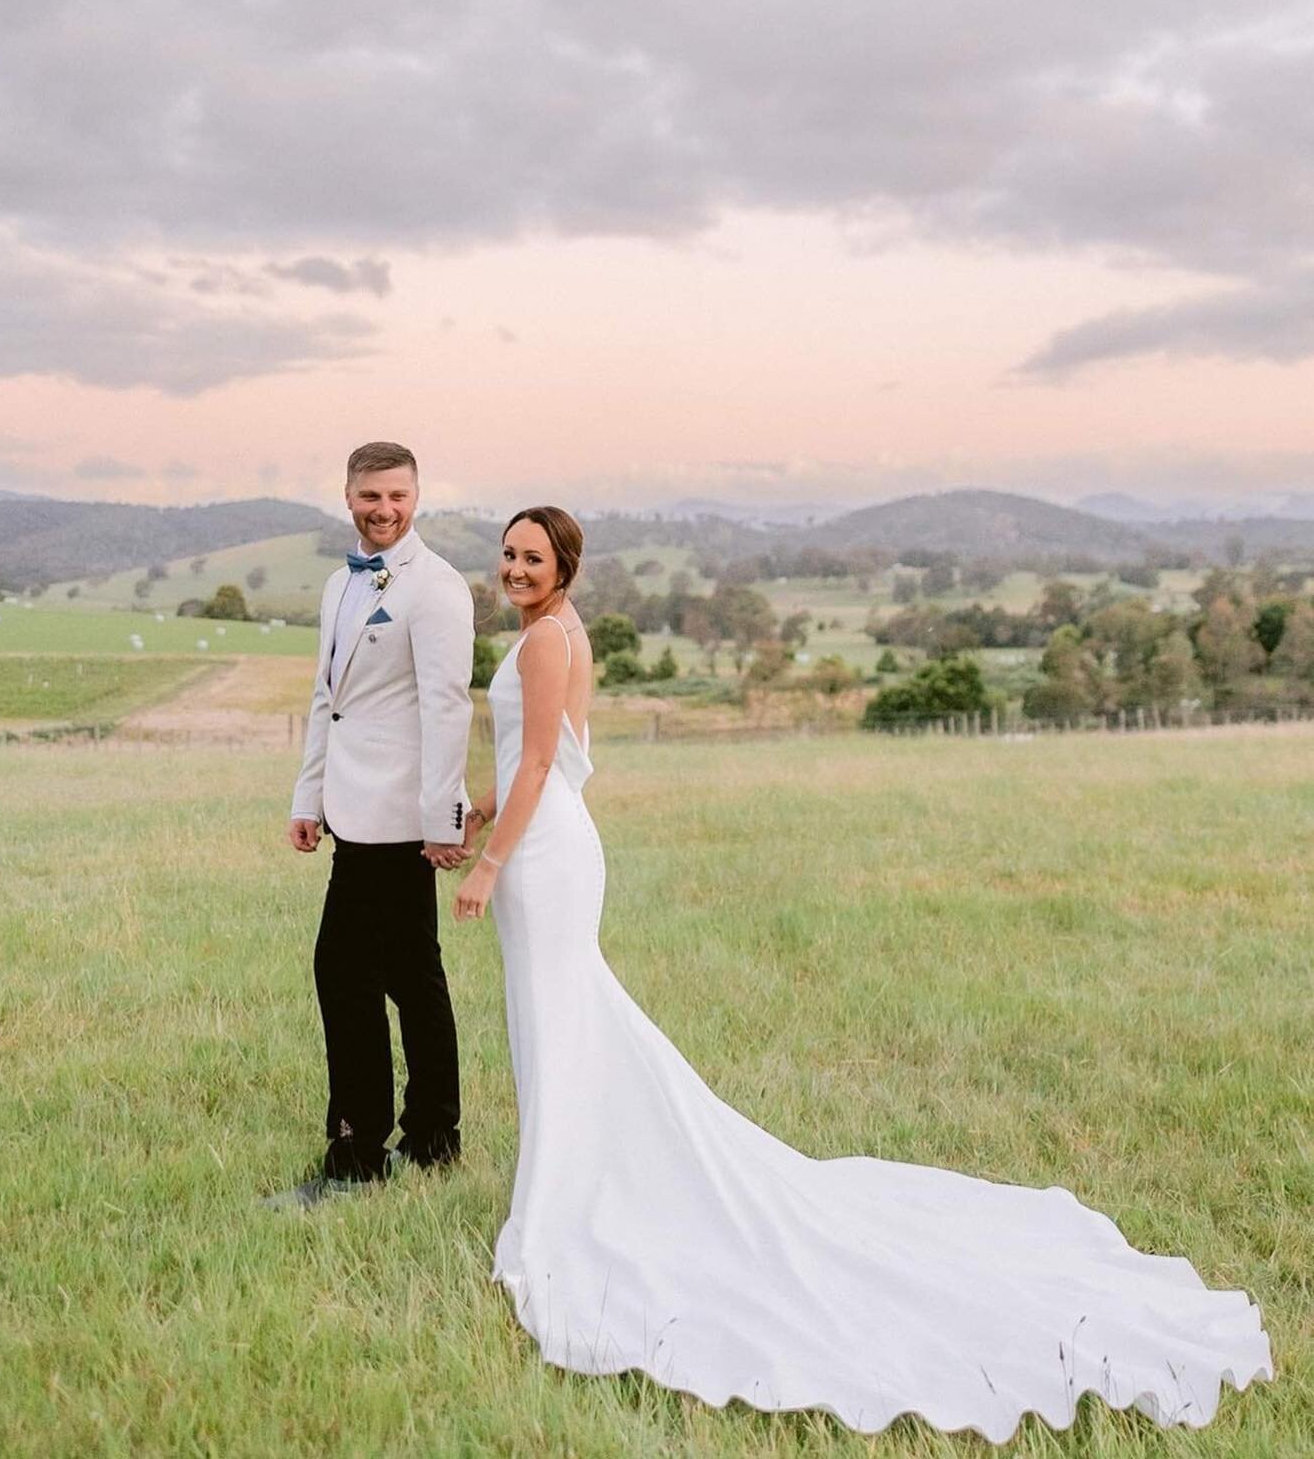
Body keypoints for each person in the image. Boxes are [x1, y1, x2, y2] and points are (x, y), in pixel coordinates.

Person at [452, 505, 1273, 1441]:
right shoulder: (545, 633)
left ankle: (570, 1205)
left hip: (546, 857)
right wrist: (479, 817)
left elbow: (550, 760)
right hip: (540, 840)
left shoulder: (551, 638)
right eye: (508, 554)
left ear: (565, 566)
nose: (515, 567)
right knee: (562, 1025)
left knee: (566, 1024)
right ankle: (571, 1185)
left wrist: (489, 862)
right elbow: (538, 763)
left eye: (533, 557)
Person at [263, 442, 474, 1209]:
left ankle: (358, 1157)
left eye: (397, 497)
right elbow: (329, 700)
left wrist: (443, 819)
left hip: (402, 819)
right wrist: (305, 799)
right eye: (370, 497)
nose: (384, 510)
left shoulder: (438, 588)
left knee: (350, 975)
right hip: (350, 812)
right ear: (346, 497)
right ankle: (431, 1140)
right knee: (411, 978)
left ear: (418, 497)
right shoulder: (338, 585)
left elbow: (449, 707)